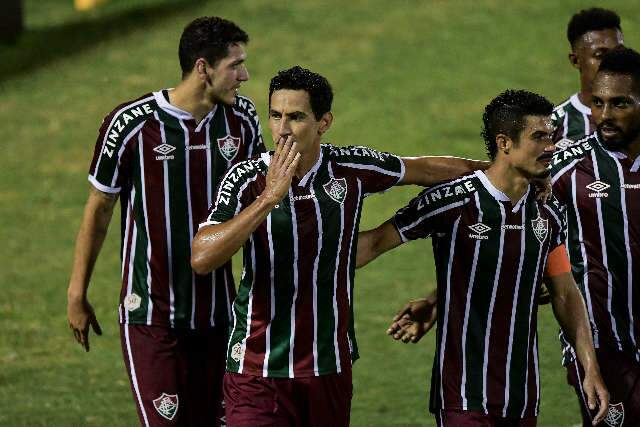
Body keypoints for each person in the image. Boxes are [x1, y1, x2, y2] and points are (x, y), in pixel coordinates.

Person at [191, 65, 490, 426]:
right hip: (257, 369)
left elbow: (421, 169)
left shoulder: (349, 167)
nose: (282, 129)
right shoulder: (246, 179)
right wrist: (268, 199)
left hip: (328, 367)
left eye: (296, 117)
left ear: (324, 122)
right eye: (275, 115)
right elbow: (202, 257)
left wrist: (500, 171)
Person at [356, 90, 609, 426]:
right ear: (504, 142)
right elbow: (373, 244)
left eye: (550, 136)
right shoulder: (453, 201)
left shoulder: (548, 211)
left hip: (522, 397)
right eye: (538, 137)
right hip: (464, 395)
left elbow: (564, 291)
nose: (550, 146)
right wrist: (300, 254)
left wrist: (590, 368)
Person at [66, 16, 264, 426]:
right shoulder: (131, 125)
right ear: (203, 67)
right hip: (151, 316)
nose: (244, 75)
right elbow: (100, 208)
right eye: (235, 65)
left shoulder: (242, 120)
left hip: (219, 316)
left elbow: (261, 201)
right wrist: (76, 292)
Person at [549, 46, 640, 427]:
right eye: (598, 103)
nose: (604, 116)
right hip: (603, 349)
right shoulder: (565, 168)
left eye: (619, 104)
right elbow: (506, 222)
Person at [552, 8, 624, 147]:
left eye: (619, 52)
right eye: (600, 55)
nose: (614, 61)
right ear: (576, 61)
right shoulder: (553, 125)